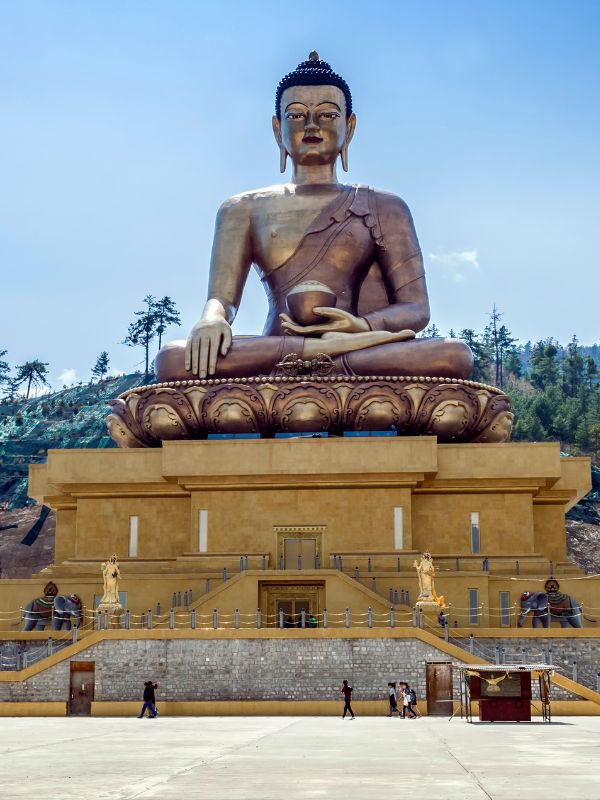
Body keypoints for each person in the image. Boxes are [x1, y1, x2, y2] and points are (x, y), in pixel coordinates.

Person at [155, 52, 473, 384]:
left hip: (354, 346)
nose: (311, 126)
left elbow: (416, 309)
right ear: (278, 129)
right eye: (296, 115)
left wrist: (361, 327)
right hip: (281, 347)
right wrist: (211, 320)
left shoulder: (384, 206)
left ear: (349, 127)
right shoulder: (243, 208)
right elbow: (221, 300)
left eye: (326, 114)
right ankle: (317, 361)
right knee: (174, 359)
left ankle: (311, 365)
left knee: (453, 354)